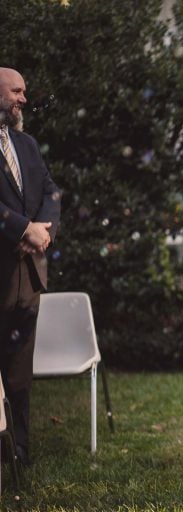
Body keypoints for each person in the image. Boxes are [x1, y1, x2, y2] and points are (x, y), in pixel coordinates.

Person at [0, 67, 61, 467]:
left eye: (24, 92)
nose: (23, 98)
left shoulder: (27, 144)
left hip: (28, 275)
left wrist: (43, 230)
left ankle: (19, 452)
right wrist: (23, 228)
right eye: (16, 91)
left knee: (20, 369)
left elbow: (51, 190)